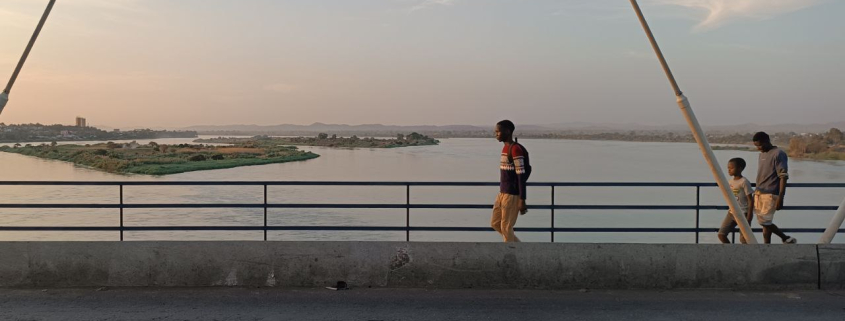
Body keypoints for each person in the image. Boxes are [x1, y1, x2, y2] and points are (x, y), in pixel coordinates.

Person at [753, 132, 797, 244]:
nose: (758, 148)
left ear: (767, 141)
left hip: (771, 193)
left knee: (764, 222)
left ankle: (785, 238)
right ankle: (767, 246)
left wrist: (781, 197)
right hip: (759, 193)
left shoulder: (778, 154)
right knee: (765, 223)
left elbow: (783, 176)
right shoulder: (761, 154)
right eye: (756, 146)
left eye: (760, 145)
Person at [491, 120, 530, 242]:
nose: (496, 134)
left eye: (498, 132)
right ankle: (521, 250)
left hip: (512, 195)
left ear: (507, 131)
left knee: (506, 227)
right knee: (496, 223)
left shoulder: (515, 149)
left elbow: (521, 176)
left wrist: (522, 200)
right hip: (502, 193)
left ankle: (511, 256)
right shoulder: (505, 148)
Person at [717, 158, 754, 244]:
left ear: (740, 169)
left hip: (743, 213)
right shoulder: (730, 182)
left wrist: (749, 216)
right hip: (731, 213)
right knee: (721, 234)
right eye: (728, 168)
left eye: (731, 168)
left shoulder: (744, 182)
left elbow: (750, 200)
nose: (729, 170)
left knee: (744, 239)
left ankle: (747, 256)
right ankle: (732, 252)